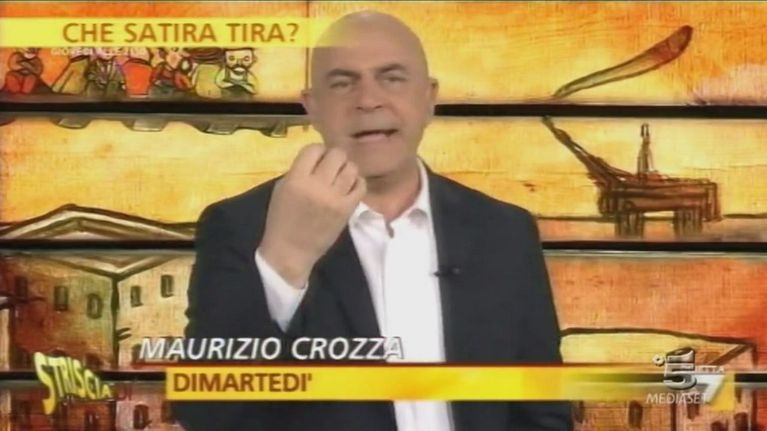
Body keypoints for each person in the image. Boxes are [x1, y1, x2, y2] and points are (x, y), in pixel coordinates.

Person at [174, 11, 571, 431]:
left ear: (429, 97)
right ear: (312, 106)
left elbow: (541, 411)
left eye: (392, 78)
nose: (368, 100)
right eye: (343, 83)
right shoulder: (238, 226)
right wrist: (285, 262)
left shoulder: (505, 232)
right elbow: (207, 413)